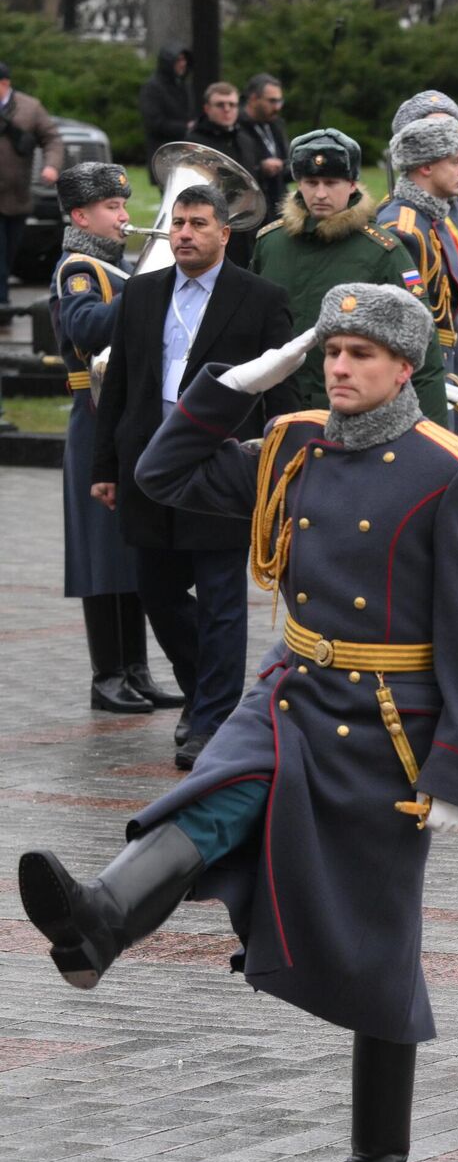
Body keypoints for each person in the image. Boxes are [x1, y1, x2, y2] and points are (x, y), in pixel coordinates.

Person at [20, 282, 458, 1162]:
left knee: (377, 947)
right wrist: (237, 383)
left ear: (404, 367)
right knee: (218, 794)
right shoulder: (293, 441)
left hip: (385, 721)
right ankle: (102, 917)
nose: (339, 368)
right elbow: (161, 473)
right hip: (292, 688)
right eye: (329, 352)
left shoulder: (452, 471)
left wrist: (457, 768)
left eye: (360, 354)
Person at [92, 184, 297, 770]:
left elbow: (282, 394)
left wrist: (279, 468)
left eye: (197, 223)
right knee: (156, 590)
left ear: (223, 234)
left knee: (221, 599)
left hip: (219, 469)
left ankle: (209, 721)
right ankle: (208, 693)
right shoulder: (142, 293)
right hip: (148, 465)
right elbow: (122, 385)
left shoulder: (260, 298)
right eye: (178, 222)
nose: (183, 233)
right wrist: (106, 466)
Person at [53, 163, 180, 717]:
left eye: (124, 206)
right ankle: (107, 675)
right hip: (94, 417)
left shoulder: (116, 268)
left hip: (125, 418)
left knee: (130, 548)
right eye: (112, 208)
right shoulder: (78, 269)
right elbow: (86, 330)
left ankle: (136, 670)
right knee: (102, 553)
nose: (126, 217)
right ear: (82, 215)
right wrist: (148, 290)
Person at [251, 128, 447, 421]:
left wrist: (432, 438)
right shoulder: (270, 243)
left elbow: (422, 351)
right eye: (311, 182)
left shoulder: (383, 252)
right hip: (276, 412)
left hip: (355, 414)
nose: (320, 194)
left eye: (331, 183)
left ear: (353, 184)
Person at [380, 116, 458, 406]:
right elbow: (401, 322)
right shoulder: (404, 228)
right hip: (423, 371)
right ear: (426, 167)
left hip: (448, 361)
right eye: (456, 161)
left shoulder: (432, 218)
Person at [0, 61, 63, 306]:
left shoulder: (29, 108)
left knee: (10, 250)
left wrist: (51, 165)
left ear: (5, 84)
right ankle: (2, 303)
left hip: (17, 196)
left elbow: (52, 139)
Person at [185, 82, 256, 265]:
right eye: (220, 105)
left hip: (245, 225)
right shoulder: (195, 142)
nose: (227, 109)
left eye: (232, 105)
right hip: (213, 222)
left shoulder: (245, 138)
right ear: (207, 108)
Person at [137, 47, 192, 181]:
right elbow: (154, 122)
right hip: (164, 152)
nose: (182, 64)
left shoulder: (183, 86)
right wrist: (186, 127)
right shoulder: (153, 88)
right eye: (178, 60)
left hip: (185, 151)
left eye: (184, 59)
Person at [239, 74, 289, 211]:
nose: (277, 107)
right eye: (272, 101)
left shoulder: (276, 124)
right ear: (254, 99)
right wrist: (260, 169)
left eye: (280, 101)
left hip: (277, 203)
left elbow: (286, 158)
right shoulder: (237, 128)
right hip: (250, 206)